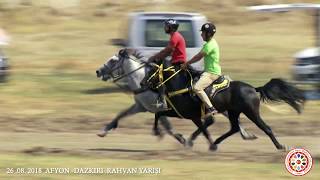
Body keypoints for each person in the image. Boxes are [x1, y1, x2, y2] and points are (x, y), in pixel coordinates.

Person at [181, 22, 221, 117]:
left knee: (197, 88)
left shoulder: (210, 45)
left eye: (203, 33)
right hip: (208, 71)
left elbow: (198, 57)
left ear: (208, 34)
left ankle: (211, 109)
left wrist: (186, 64)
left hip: (211, 73)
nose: (201, 34)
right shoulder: (209, 43)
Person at [148, 19, 187, 109]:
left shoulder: (175, 37)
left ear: (171, 28)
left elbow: (167, 51)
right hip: (175, 62)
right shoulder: (174, 36)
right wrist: (156, 56)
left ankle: (163, 102)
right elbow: (166, 50)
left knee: (158, 76)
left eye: (166, 26)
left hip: (178, 64)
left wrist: (154, 58)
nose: (164, 28)